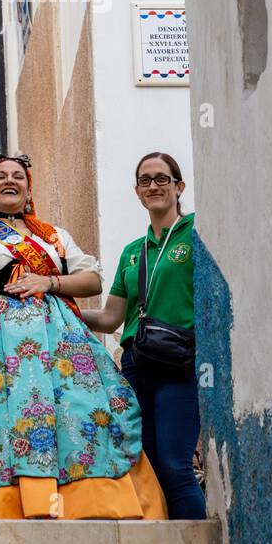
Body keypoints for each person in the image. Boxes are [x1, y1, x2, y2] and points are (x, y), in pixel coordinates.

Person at [0, 89, 167, 520]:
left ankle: (88, 504)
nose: (10, 180)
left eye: (18, 176)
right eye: (0, 175)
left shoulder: (53, 236)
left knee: (77, 422)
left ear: (28, 189)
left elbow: (92, 278)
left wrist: (49, 281)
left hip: (59, 349)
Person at [80, 152, 206, 521]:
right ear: (137, 191)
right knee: (146, 465)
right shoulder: (133, 253)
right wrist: (60, 306)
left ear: (179, 187)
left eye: (162, 179)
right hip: (137, 364)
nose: (154, 186)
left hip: (178, 362)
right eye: (145, 180)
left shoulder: (197, 232)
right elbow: (109, 317)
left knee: (174, 463)